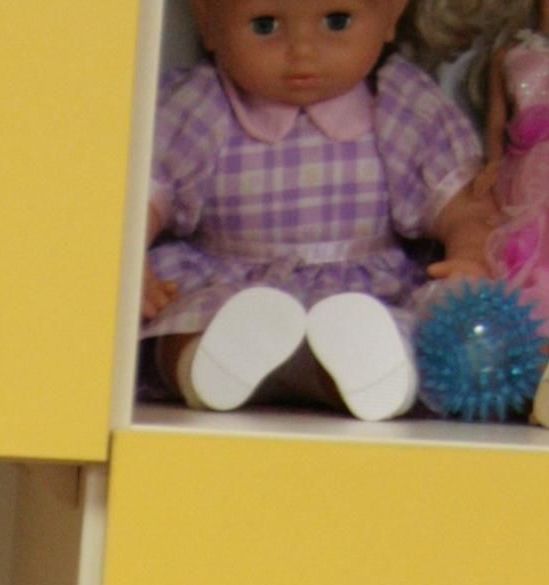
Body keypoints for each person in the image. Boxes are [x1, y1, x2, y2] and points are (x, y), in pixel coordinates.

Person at [144, 0, 492, 418]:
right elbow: (143, 197)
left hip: (364, 295)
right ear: (208, 20)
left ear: (391, 13)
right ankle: (206, 365)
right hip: (230, 286)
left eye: (336, 21)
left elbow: (463, 207)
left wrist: (469, 256)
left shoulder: (400, 104)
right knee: (182, 328)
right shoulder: (201, 104)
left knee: (401, 332)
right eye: (266, 25)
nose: (302, 51)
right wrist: (132, 267)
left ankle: (365, 376)